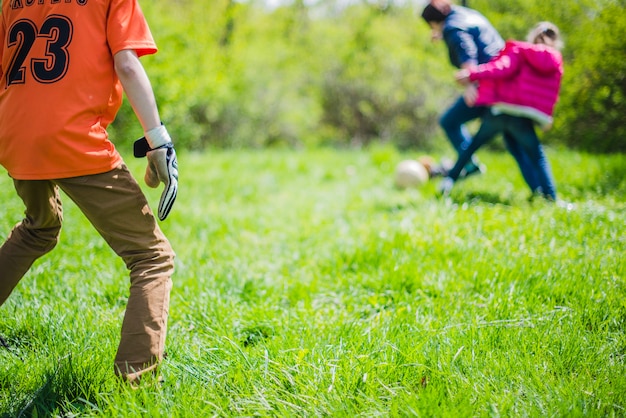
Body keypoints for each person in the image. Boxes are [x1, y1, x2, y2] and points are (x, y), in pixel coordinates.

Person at [0, 0, 179, 384]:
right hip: (72, 139)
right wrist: (157, 139)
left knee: (38, 228)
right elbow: (127, 63)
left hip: (14, 134)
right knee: (151, 257)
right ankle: (137, 385)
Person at [439, 22, 564, 201]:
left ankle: (448, 182)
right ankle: (549, 198)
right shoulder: (556, 60)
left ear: (533, 36)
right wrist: (545, 117)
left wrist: (472, 74)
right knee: (536, 156)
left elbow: (501, 68)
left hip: (500, 111)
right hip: (523, 118)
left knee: (473, 145)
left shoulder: (520, 50)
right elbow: (551, 92)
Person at [421, 0, 539, 189]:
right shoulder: (468, 15)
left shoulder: (452, 28)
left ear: (434, 23)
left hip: (487, 86)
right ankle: (541, 191)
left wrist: (470, 85)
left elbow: (467, 49)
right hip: (507, 83)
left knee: (449, 121)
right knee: (514, 139)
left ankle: (469, 164)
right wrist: (442, 34)